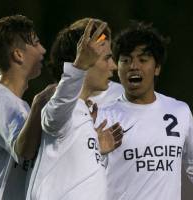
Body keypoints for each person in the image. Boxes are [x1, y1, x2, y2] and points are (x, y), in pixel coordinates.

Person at [96, 22, 193, 200]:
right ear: (117, 67)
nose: (133, 66)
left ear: (157, 68)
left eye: (142, 60)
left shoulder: (179, 111)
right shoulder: (104, 117)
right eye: (125, 60)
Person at [26, 18, 123, 200]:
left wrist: (89, 147)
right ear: (83, 60)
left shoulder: (83, 112)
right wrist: (79, 65)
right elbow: (55, 114)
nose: (114, 67)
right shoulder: (59, 107)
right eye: (107, 58)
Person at [0, 15, 56, 200]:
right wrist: (40, 103)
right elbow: (24, 151)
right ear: (18, 54)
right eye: (36, 43)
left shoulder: (16, 103)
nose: (43, 50)